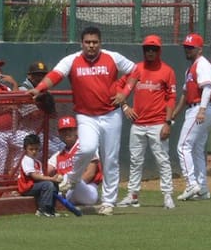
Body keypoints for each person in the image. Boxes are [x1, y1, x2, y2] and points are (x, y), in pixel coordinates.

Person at [29, 26, 135, 215]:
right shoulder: (73, 60)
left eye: (95, 42)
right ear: (82, 43)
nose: (91, 46)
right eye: (88, 42)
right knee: (86, 148)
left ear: (100, 43)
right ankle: (71, 179)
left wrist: (124, 92)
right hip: (86, 116)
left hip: (111, 114)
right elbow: (56, 74)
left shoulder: (112, 57)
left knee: (110, 159)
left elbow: (135, 71)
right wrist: (39, 89)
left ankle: (109, 202)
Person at [118, 36, 177, 210]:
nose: (150, 52)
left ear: (159, 51)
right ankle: (133, 195)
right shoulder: (135, 69)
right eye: (147, 49)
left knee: (162, 160)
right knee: (136, 161)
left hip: (158, 123)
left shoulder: (167, 71)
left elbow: (171, 98)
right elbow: (118, 87)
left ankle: (167, 196)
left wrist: (168, 122)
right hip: (137, 124)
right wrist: (125, 106)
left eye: (154, 49)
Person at [171, 33, 211, 201]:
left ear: (199, 49)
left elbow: (207, 88)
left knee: (183, 147)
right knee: (197, 150)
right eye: (186, 47)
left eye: (191, 47)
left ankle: (191, 184)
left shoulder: (203, 65)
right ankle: (203, 189)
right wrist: (175, 113)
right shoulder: (190, 68)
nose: (187, 49)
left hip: (200, 109)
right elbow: (185, 93)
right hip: (198, 109)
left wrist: (202, 110)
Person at [51, 115, 101, 208]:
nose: (67, 133)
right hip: (68, 192)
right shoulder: (58, 155)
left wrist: (69, 185)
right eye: (63, 130)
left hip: (87, 190)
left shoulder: (86, 147)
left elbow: (90, 173)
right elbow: (46, 170)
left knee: (71, 177)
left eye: (70, 129)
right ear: (59, 134)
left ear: (77, 131)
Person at [16, 133, 61, 217]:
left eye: (36, 149)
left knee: (54, 184)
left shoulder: (37, 162)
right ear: (25, 149)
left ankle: (51, 209)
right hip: (27, 188)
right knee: (48, 184)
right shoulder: (27, 160)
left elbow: (41, 177)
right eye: (31, 149)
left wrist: (52, 180)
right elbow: (34, 176)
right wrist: (51, 179)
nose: (34, 151)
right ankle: (43, 209)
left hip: (34, 186)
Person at [16, 60, 52, 137]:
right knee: (55, 148)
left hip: (39, 132)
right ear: (29, 76)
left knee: (61, 145)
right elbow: (35, 114)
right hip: (24, 132)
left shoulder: (43, 90)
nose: (41, 78)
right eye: (37, 75)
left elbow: (53, 115)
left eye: (43, 75)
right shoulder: (23, 90)